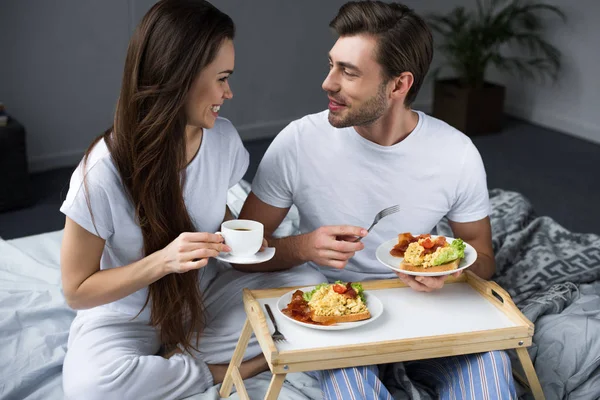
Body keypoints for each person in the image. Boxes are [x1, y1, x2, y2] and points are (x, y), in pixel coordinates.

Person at [238, 1, 517, 399]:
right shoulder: (299, 143)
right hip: (336, 315)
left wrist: (450, 273)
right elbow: (242, 257)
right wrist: (302, 246)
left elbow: (482, 255)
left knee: (491, 367)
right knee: (351, 387)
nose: (327, 83)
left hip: (425, 308)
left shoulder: (456, 153)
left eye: (348, 72)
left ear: (399, 85)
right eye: (332, 65)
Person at [59, 1, 324, 399]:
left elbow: (218, 219)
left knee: (310, 283)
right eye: (221, 78)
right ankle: (227, 367)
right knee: (90, 388)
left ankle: (178, 361)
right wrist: (163, 260)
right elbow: (76, 290)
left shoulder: (223, 141)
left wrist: (243, 243)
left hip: (201, 302)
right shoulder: (100, 175)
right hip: (125, 318)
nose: (228, 92)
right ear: (178, 78)